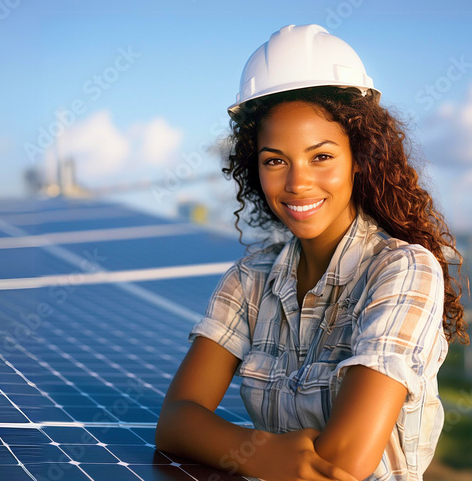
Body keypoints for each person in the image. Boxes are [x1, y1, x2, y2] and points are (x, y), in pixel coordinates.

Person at [155, 24, 469, 481]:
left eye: (320, 156)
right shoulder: (249, 279)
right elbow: (175, 421)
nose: (297, 182)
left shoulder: (402, 269)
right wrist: (259, 454)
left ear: (360, 158)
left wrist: (234, 446)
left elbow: (345, 463)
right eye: (275, 160)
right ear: (254, 168)